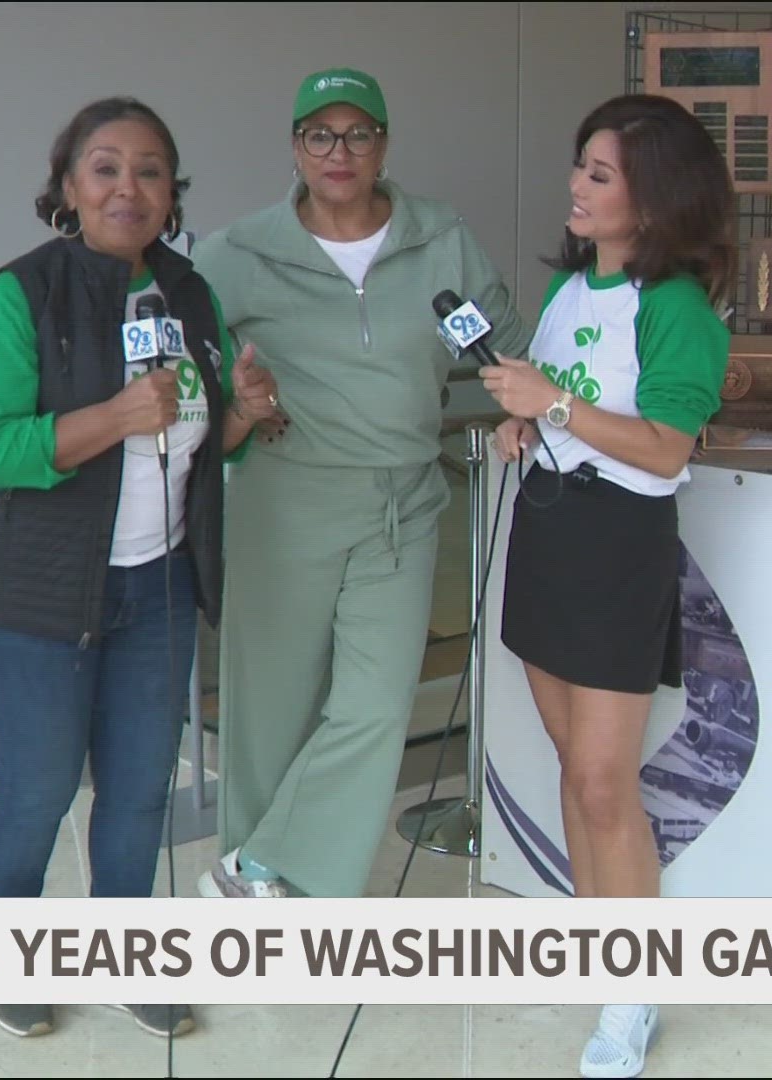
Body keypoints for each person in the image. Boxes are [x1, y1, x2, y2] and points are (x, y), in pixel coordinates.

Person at [0, 96, 280, 1041]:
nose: (128, 187)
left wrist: (243, 416)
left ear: (173, 192)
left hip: (159, 582)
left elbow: (199, 447)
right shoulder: (20, 296)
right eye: (105, 167)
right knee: (40, 784)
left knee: (139, 786)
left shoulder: (190, 295)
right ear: (67, 187)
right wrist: (114, 419)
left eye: (150, 170)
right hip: (36, 594)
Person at [189, 68, 531, 900]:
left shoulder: (440, 239)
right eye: (320, 134)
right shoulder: (234, 255)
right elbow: (191, 381)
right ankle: (271, 880)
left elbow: (504, 342)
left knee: (377, 705)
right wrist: (240, 405)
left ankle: (263, 864)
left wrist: (527, 405)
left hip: (405, 502)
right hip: (284, 499)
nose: (339, 152)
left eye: (359, 134)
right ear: (295, 147)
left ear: (384, 144)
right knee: (270, 708)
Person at [477, 93, 734, 1079]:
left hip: (620, 548)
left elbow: (665, 451)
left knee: (601, 779)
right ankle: (601, 950)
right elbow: (558, 405)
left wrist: (560, 406)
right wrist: (525, 424)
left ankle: (635, 994)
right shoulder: (575, 287)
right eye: (578, 167)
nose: (575, 188)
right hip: (548, 532)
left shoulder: (678, 309)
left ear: (655, 196)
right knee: (565, 759)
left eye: (599, 174)